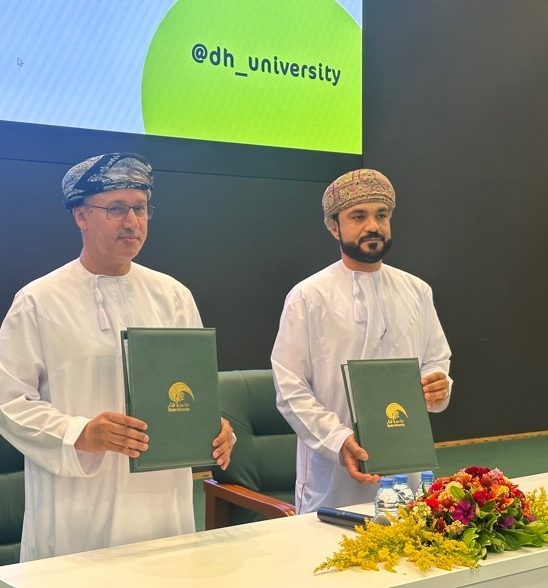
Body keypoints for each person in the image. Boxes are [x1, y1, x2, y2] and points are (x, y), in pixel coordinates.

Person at [0, 152, 234, 561]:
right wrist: (79, 433)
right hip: (79, 502)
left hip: (162, 498)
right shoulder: (39, 300)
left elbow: (191, 388)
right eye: (116, 209)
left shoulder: (174, 296)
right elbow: (8, 402)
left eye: (140, 209)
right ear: (81, 215)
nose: (132, 222)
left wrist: (213, 427)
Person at [271, 169, 452, 513]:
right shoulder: (308, 297)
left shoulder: (417, 291)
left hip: (407, 473)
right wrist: (338, 441)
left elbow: (437, 358)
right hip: (334, 477)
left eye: (381, 215)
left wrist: (438, 385)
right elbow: (290, 387)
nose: (373, 225)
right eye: (359, 216)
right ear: (334, 226)